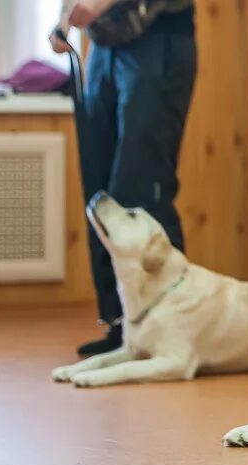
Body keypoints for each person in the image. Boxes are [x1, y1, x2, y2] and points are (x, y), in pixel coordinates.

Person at [50, 0, 197, 357]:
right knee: (102, 199)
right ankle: (120, 325)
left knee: (140, 189)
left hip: (157, 41)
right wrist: (63, 20)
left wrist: (101, 3)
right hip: (103, 47)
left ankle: (175, 326)